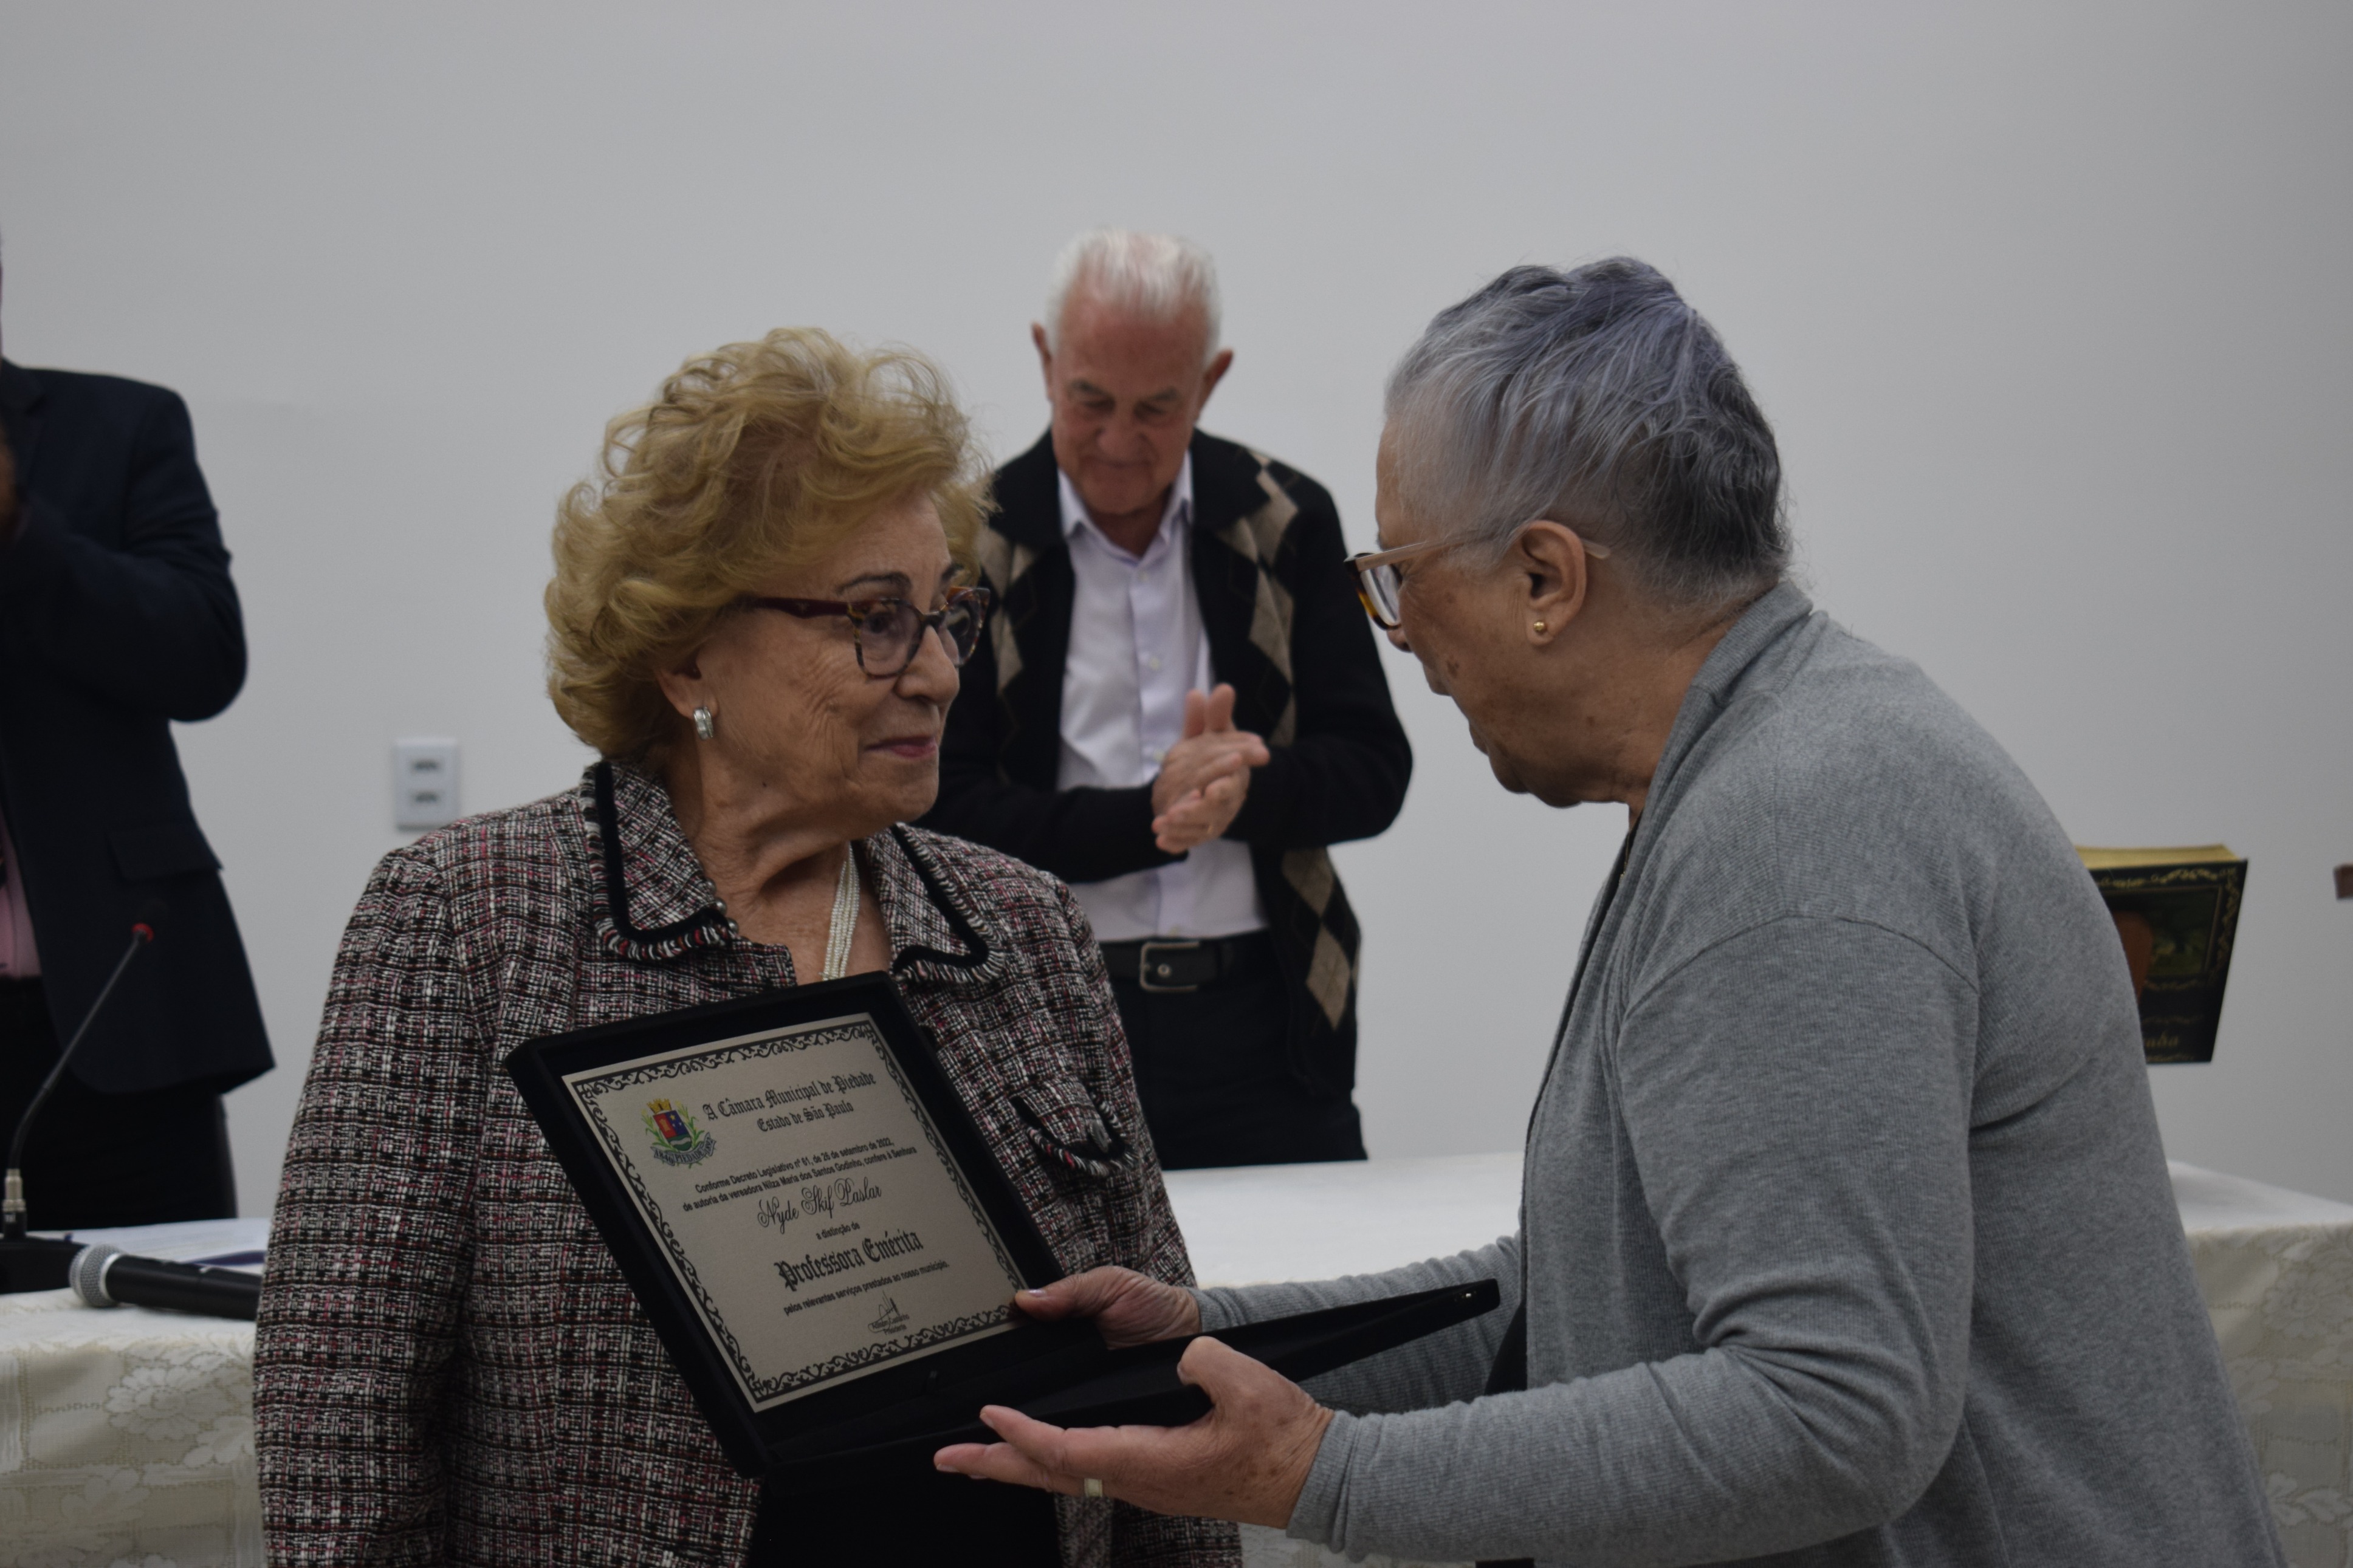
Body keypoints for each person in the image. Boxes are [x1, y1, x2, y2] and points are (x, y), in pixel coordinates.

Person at [936, 260, 2286, 1566]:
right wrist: (1203, 1346)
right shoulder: (1762, 763)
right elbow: (1580, 1296)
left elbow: (1829, 1414)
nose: (1402, 641)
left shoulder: (1794, 825)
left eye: (1400, 580)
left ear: (1545, 579)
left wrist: (1318, 1474)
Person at [253, 330, 1237, 1568]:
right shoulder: (470, 920)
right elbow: (338, 1422)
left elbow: (1158, 1391)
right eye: (875, 620)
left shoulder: (1022, 928)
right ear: (686, 654)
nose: (936, 673)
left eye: (945, 615)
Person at [924, 230, 1410, 1170]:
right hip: (1042, 1023)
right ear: (1045, 360)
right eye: (1090, 400)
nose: (1117, 442)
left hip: (1267, 1024)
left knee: (1308, 1301)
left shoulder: (1287, 520)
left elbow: (1374, 771)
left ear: (1212, 379)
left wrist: (1242, 793)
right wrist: (1150, 816)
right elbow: (945, 814)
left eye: (1158, 408)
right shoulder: (973, 541)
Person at [0, 252, 270, 1229]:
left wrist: (22, 532)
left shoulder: (115, 427)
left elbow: (202, 657)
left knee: (164, 1356)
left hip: (117, 1018)